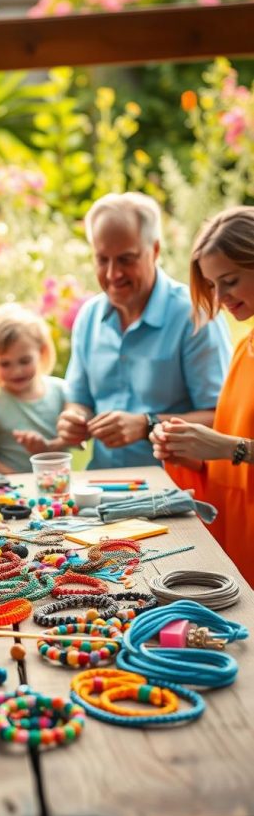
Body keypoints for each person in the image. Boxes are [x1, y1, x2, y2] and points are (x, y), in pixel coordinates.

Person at [56, 192, 232, 469]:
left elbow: (221, 418)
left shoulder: (194, 315)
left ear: (155, 250)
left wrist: (146, 425)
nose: (113, 274)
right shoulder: (89, 317)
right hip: (102, 486)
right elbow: (78, 401)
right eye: (102, 259)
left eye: (126, 259)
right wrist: (73, 420)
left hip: (175, 490)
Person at [151, 206, 254, 585]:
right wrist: (190, 453)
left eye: (229, 280)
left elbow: (237, 450)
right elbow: (233, 465)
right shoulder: (245, 347)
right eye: (212, 285)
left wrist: (230, 448)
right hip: (240, 539)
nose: (220, 296)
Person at [0, 303, 68, 472]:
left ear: (42, 352)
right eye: (5, 364)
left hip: (56, 488)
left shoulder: (60, 391)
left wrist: (48, 446)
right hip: (12, 491)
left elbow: (77, 441)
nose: (16, 371)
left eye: (25, 361)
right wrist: (19, 482)